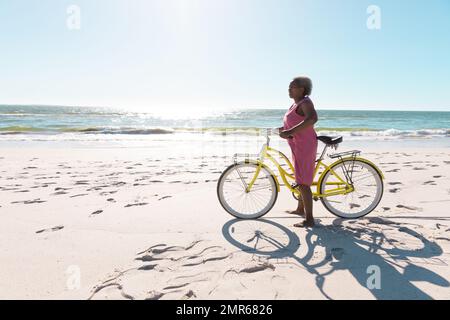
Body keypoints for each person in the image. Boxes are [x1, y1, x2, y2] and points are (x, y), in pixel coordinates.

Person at [278, 76, 318, 228]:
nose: (289, 89)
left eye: (292, 87)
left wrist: (290, 131)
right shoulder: (295, 104)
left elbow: (312, 119)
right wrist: (283, 130)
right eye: (289, 87)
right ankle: (300, 209)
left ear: (302, 89)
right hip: (297, 145)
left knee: (303, 182)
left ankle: (309, 220)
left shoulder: (306, 102)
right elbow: (293, 122)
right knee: (300, 178)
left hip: (305, 145)